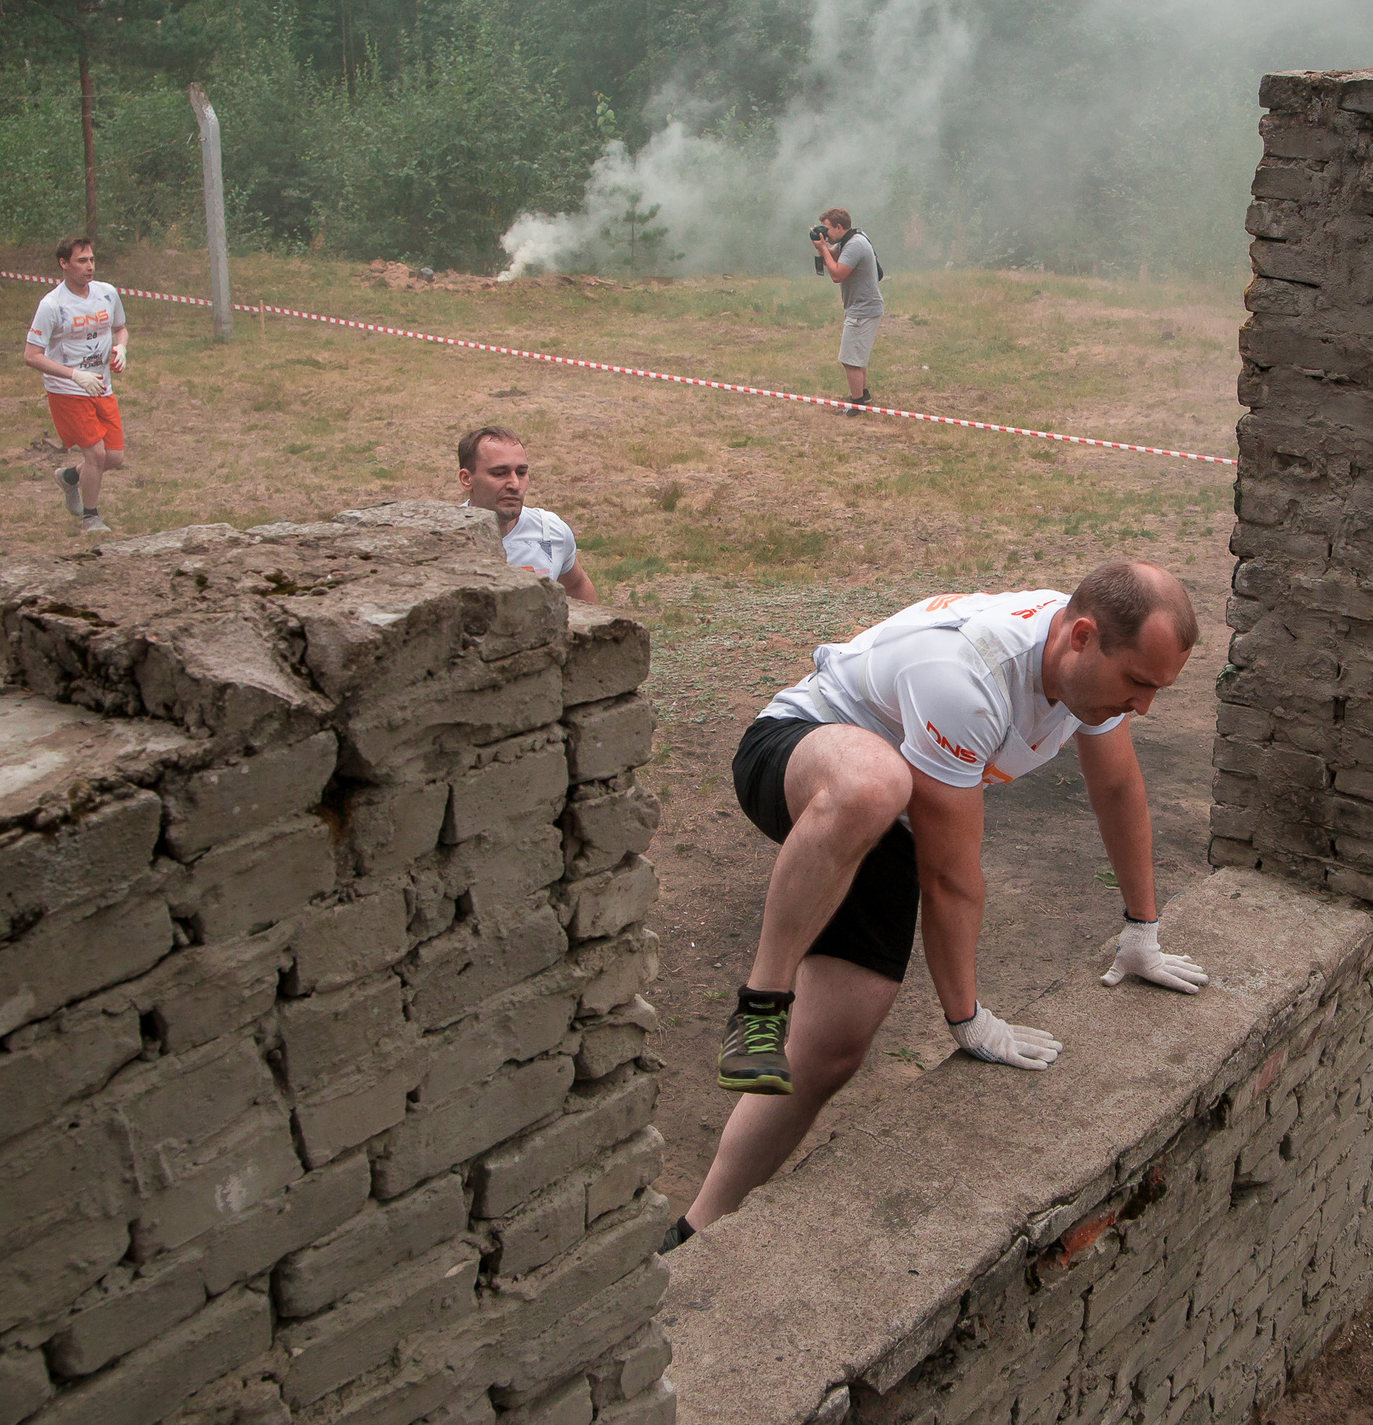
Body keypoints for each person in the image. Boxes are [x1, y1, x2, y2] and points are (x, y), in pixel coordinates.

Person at [681, 563, 1207, 1247]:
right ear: (1082, 636)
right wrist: (968, 1017)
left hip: (893, 809)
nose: (1144, 707)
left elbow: (1117, 788)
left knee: (833, 1048)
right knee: (876, 783)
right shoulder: (969, 677)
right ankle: (760, 1003)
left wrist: (1143, 929)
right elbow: (950, 873)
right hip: (802, 753)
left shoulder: (1090, 670)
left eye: (1158, 689)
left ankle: (694, 1228)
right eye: (1139, 683)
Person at [24, 236, 128, 534]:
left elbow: (120, 329)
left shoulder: (107, 293)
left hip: (101, 386)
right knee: (95, 454)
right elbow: (31, 356)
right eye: (82, 261)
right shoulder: (52, 305)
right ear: (63, 264)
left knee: (114, 456)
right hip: (67, 389)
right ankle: (91, 518)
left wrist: (121, 348)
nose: (89, 267)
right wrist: (73, 375)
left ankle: (70, 478)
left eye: (92, 260)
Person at [456, 425, 598, 602]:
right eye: (499, 473)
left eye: (521, 473)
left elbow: (576, 585)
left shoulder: (550, 531)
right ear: (466, 479)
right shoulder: (445, 539)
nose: (515, 484)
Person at [810, 207, 880, 415]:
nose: (827, 233)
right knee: (858, 356)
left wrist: (822, 249)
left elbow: (837, 274)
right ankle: (862, 393)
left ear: (839, 227)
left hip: (862, 309)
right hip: (863, 307)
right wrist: (821, 243)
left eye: (828, 229)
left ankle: (857, 405)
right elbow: (833, 255)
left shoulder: (855, 245)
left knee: (849, 359)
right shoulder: (853, 237)